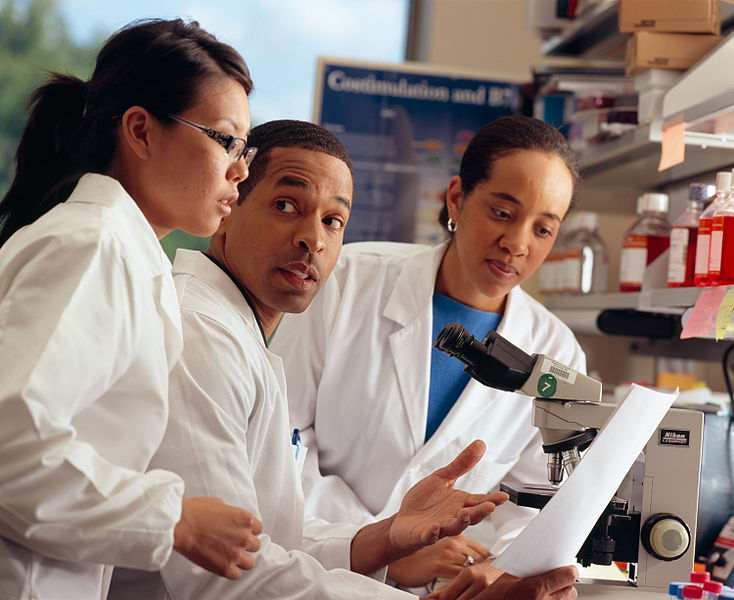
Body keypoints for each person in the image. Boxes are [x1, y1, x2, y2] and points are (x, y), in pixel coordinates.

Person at [108, 119, 577, 600]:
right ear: (229, 203)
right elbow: (226, 573)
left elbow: (272, 531)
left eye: (334, 220)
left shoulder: (239, 331)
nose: (314, 239)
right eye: (286, 205)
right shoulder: (202, 333)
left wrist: (386, 539)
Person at [0, 18, 263, 600]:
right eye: (225, 141)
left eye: (245, 148)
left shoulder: (127, 252)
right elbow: (10, 448)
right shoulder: (92, 245)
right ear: (141, 131)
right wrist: (174, 519)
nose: (240, 170)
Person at [271, 115, 587, 597]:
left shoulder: (557, 351)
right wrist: (386, 546)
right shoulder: (347, 280)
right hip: (311, 572)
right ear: (456, 198)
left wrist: (503, 570)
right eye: (502, 213)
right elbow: (280, 444)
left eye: (543, 230)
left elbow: (532, 510)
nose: (518, 243)